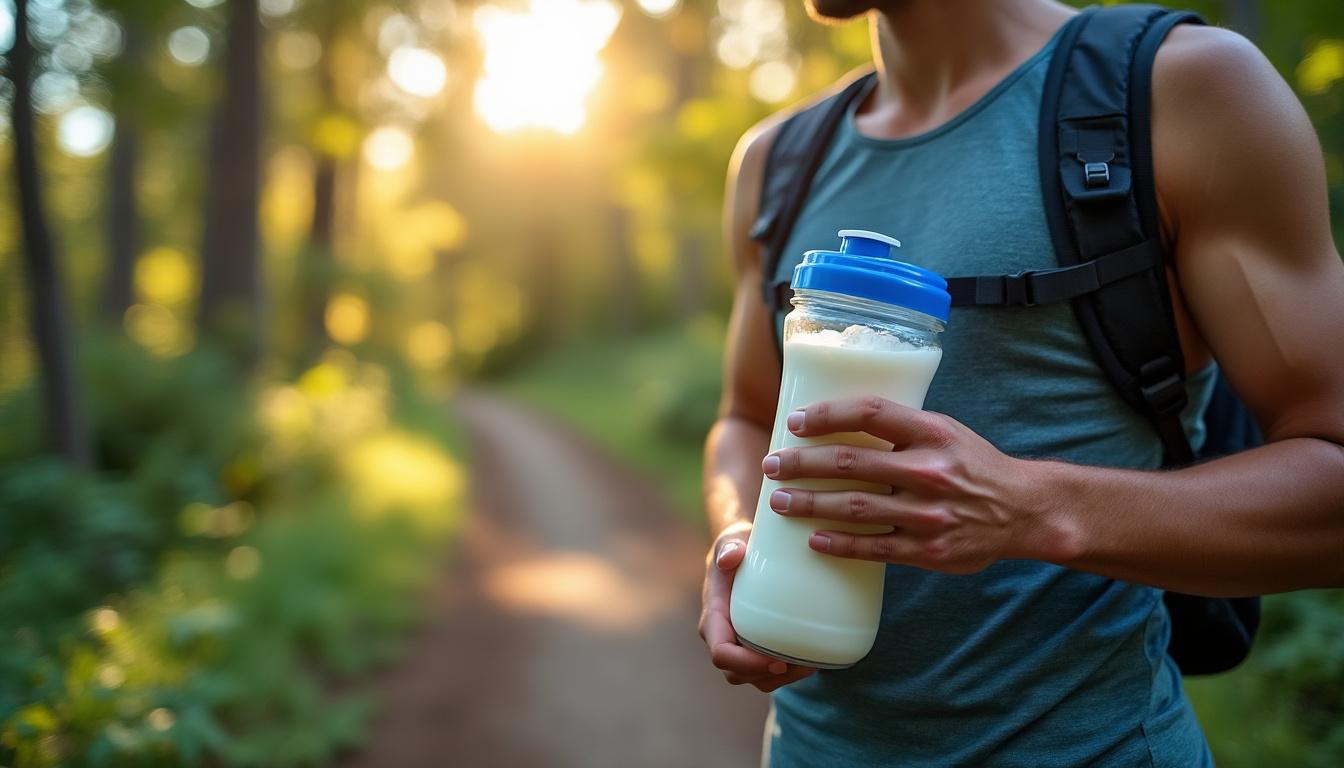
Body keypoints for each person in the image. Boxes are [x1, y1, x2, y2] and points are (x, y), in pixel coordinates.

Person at [697, 0, 1344, 764]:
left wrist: (1032, 509)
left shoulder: (1182, 89)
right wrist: (738, 533)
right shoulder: (776, 161)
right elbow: (747, 417)